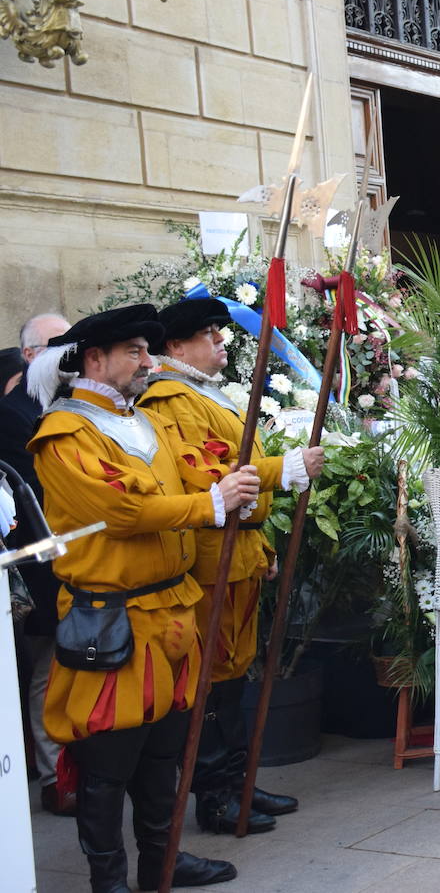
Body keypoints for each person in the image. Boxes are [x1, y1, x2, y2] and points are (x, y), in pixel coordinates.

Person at [26, 304, 257, 892]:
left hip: (171, 613)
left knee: (163, 760)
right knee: (109, 768)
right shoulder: (63, 436)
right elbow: (123, 510)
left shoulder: (142, 424)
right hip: (113, 623)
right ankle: (110, 883)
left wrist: (254, 485)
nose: (146, 362)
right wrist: (211, 505)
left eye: (146, 351)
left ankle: (163, 867)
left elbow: (190, 478)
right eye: (134, 351)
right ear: (94, 360)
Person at [137, 298, 323, 835]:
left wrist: (259, 545)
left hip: (237, 554)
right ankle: (214, 793)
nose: (222, 342)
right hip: (210, 559)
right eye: (210, 335)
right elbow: (208, 473)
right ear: (175, 347)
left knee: (235, 676)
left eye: (220, 333)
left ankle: (238, 782)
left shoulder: (200, 393)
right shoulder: (169, 399)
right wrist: (281, 468)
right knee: (212, 683)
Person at [0, 312, 72, 817]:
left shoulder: (60, 402)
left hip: (74, 558)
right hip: (43, 565)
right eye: (55, 344)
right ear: (29, 355)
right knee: (50, 667)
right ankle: (54, 775)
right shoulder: (13, 414)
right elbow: (38, 497)